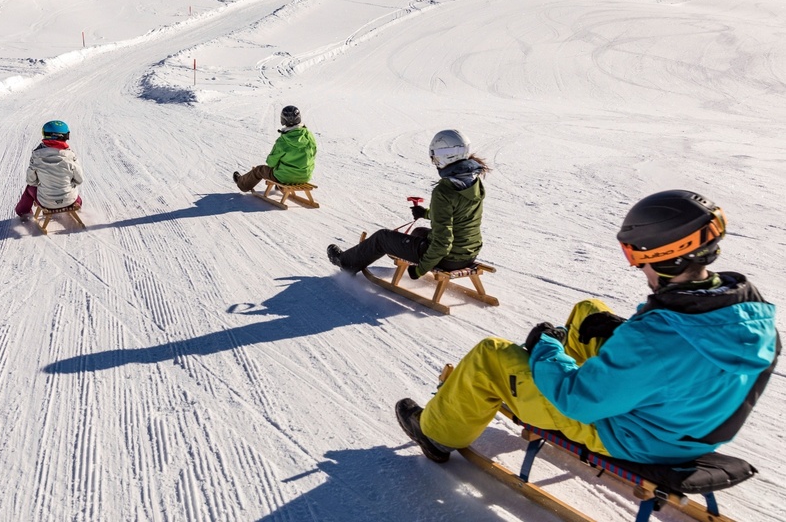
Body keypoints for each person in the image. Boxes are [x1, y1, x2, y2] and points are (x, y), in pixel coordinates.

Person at [396, 189, 780, 466]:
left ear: (665, 256)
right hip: (687, 424)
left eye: (636, 254)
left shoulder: (654, 340)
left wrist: (546, 349)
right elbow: (677, 356)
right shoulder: (751, 311)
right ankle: (569, 377)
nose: (635, 265)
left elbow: (578, 401)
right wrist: (623, 340)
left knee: (490, 357)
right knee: (589, 313)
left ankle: (435, 434)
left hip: (630, 436)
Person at [327, 129, 488, 277]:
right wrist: (425, 213)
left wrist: (420, 269)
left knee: (382, 238)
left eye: (434, 157)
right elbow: (458, 215)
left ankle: (346, 262)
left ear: (445, 156)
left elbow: (443, 243)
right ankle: (410, 250)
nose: (434, 161)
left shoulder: (444, 190)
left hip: (447, 259)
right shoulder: (473, 182)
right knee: (418, 232)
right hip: (468, 254)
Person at [233, 105, 317, 192]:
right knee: (286, 163)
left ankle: (242, 184)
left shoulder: (283, 141)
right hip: (305, 176)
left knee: (259, 170)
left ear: (283, 120)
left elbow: (271, 163)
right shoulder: (309, 136)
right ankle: (280, 185)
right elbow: (313, 154)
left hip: (285, 177)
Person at [14, 120, 85, 218]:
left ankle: (23, 213)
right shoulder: (70, 156)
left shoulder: (37, 156)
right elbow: (79, 180)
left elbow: (31, 181)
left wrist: (42, 184)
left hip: (46, 202)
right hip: (70, 200)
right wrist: (69, 183)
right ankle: (74, 207)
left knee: (29, 188)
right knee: (73, 193)